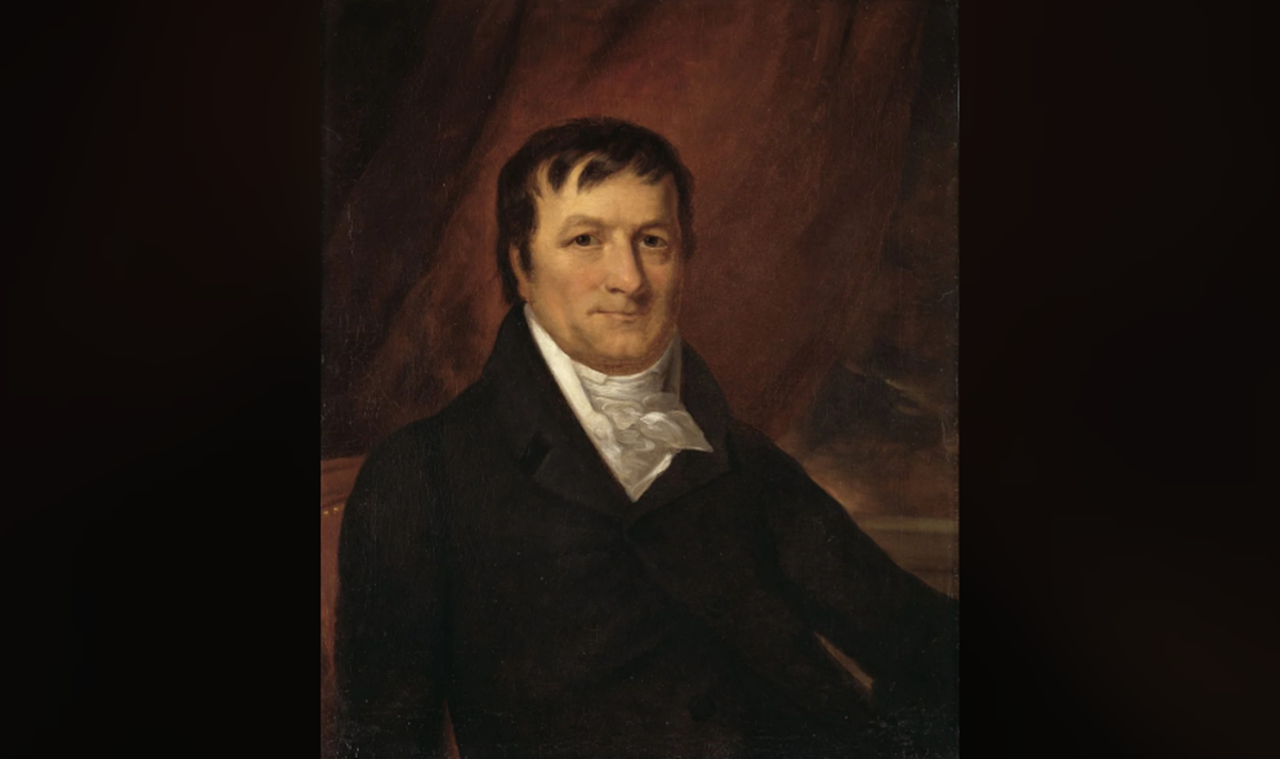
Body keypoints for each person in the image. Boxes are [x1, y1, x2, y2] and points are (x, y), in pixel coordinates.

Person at [334, 117, 957, 759]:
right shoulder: (421, 474)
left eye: (652, 241)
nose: (629, 280)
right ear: (521, 265)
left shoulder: (740, 457)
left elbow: (922, 639)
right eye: (585, 240)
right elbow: (383, 740)